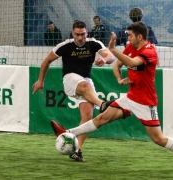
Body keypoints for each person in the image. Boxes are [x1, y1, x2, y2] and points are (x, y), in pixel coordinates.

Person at [51, 22, 173, 171]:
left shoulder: (150, 52)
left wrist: (112, 49)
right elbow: (117, 65)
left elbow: (131, 62)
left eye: (130, 36)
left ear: (140, 36)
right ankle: (67, 133)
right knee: (101, 119)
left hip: (145, 102)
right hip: (130, 98)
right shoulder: (131, 47)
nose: (128, 39)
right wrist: (119, 79)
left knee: (158, 139)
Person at [33, 20, 115, 162]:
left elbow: (111, 56)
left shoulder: (94, 43)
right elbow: (46, 61)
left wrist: (104, 59)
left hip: (85, 81)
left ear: (86, 33)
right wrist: (41, 80)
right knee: (85, 86)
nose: (80, 37)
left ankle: (76, 150)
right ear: (72, 33)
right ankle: (102, 104)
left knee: (87, 117)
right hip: (70, 80)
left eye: (82, 34)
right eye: (77, 34)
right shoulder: (65, 45)